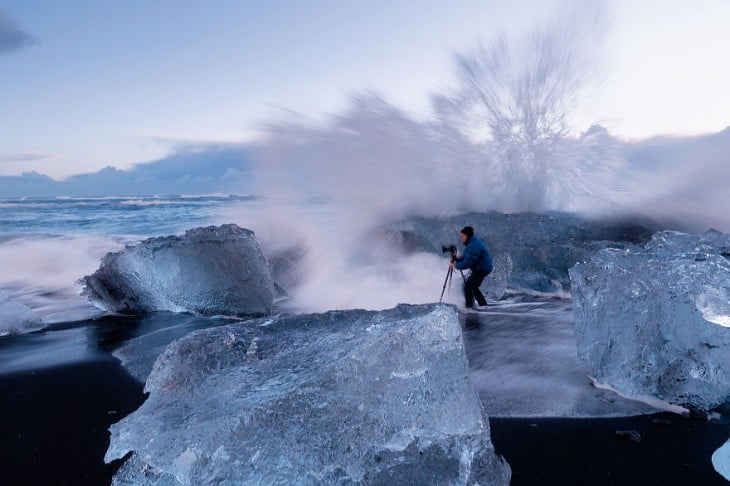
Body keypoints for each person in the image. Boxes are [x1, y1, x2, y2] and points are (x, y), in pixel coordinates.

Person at [449, 226, 493, 309]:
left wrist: (454, 265)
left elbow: (467, 263)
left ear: (467, 235)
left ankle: (469, 308)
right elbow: (467, 256)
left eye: (462, 236)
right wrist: (458, 259)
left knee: (468, 286)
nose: (461, 238)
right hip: (481, 267)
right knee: (473, 286)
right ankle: (483, 305)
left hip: (482, 268)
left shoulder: (473, 245)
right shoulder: (472, 243)